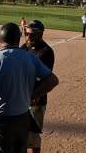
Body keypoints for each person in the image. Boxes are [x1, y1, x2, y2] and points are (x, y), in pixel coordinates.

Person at [0, 23, 59, 153]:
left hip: (1, 122)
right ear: (18, 38)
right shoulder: (30, 57)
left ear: (0, 39)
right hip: (23, 119)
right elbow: (53, 80)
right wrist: (35, 95)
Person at [21, 20, 55, 153]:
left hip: (36, 102)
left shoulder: (46, 52)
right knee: (19, 136)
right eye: (26, 34)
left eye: (32, 35)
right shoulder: (24, 47)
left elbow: (46, 80)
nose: (28, 37)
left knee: (33, 140)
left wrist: (36, 95)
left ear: (41, 34)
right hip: (21, 99)